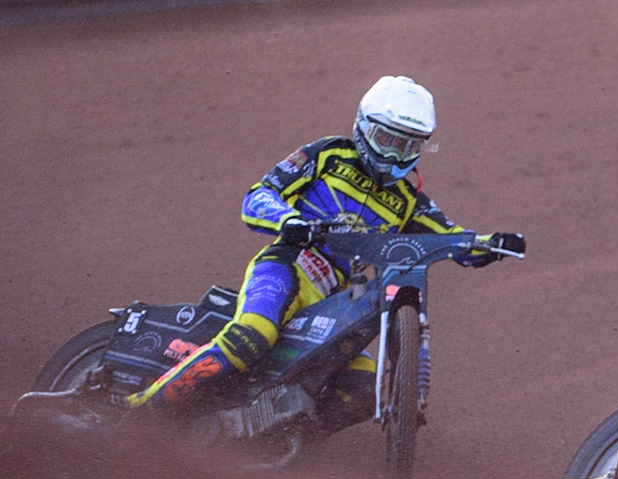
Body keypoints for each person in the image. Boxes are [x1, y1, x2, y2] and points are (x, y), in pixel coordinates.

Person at [126, 75, 524, 433]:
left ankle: (266, 444)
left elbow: (451, 238)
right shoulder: (328, 156)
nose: (395, 155)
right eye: (388, 140)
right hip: (286, 267)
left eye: (409, 145)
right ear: (364, 128)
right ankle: (138, 414)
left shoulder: (409, 200)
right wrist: (288, 220)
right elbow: (257, 196)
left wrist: (489, 244)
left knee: (364, 389)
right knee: (253, 336)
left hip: (334, 303)